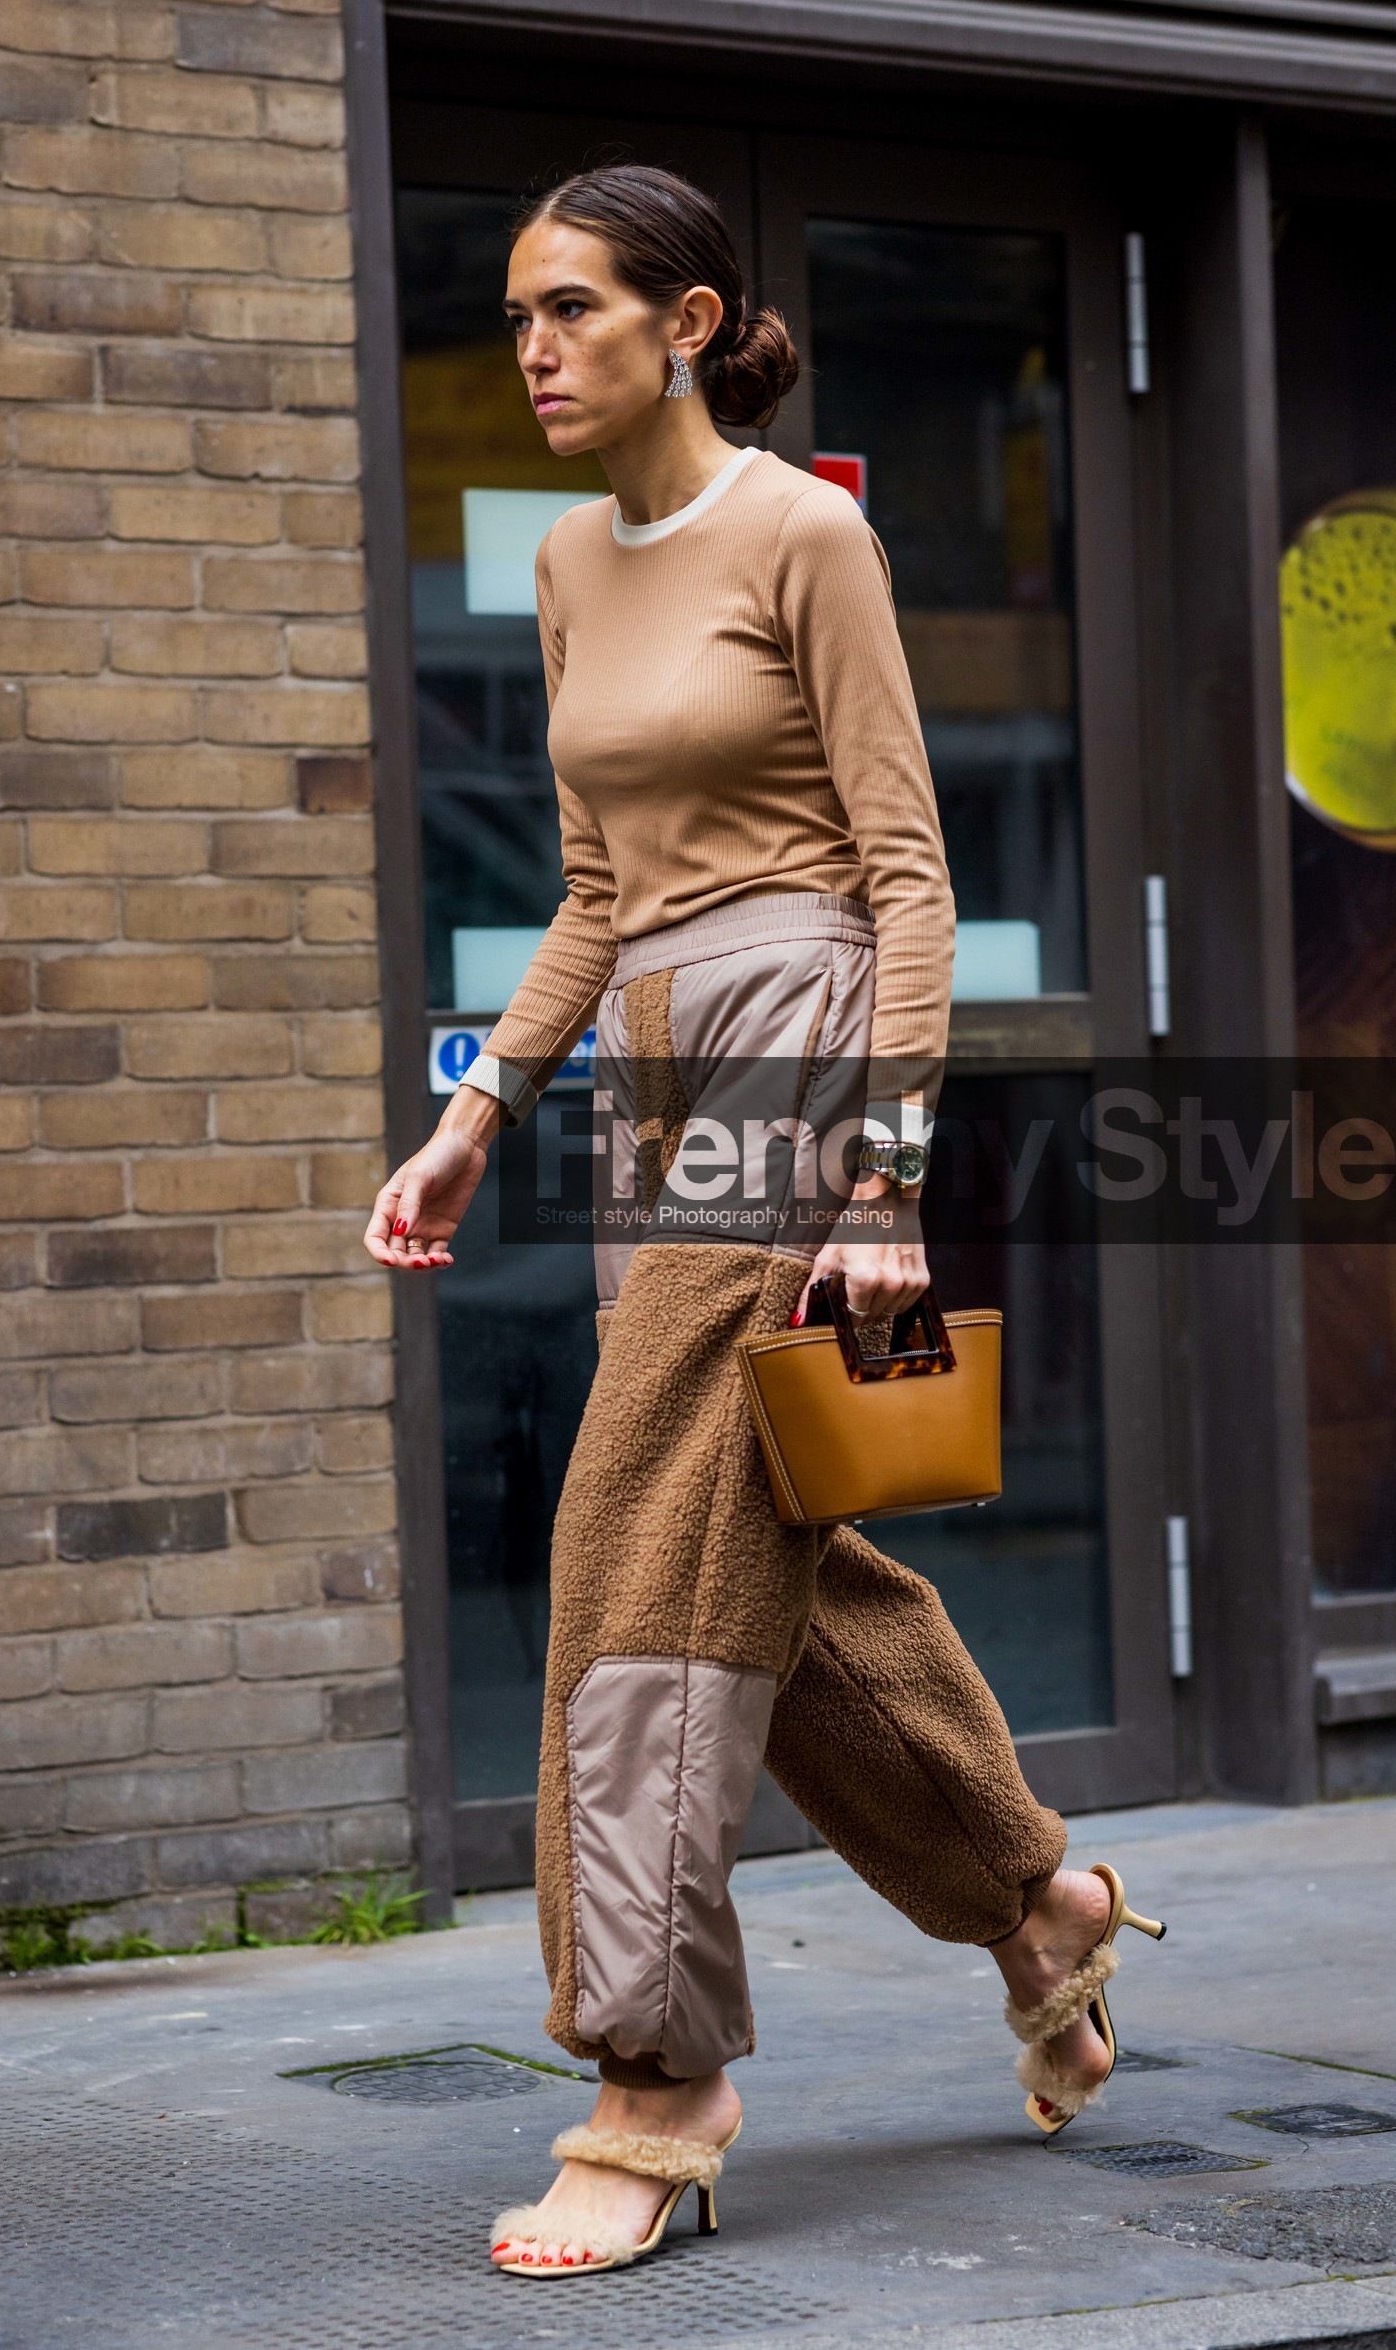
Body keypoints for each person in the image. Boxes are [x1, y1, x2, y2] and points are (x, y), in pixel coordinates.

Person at [364, 163, 1163, 2279]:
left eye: (567, 307)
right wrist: (478, 1111)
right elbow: (598, 888)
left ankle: (654, 2070)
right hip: (650, 1054)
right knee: (757, 1539)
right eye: (514, 312)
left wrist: (885, 1178)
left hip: (806, 1025)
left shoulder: (801, 532)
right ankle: (1037, 1901)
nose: (529, 343)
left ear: (689, 320)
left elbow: (907, 876)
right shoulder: (557, 559)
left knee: (632, 1530)